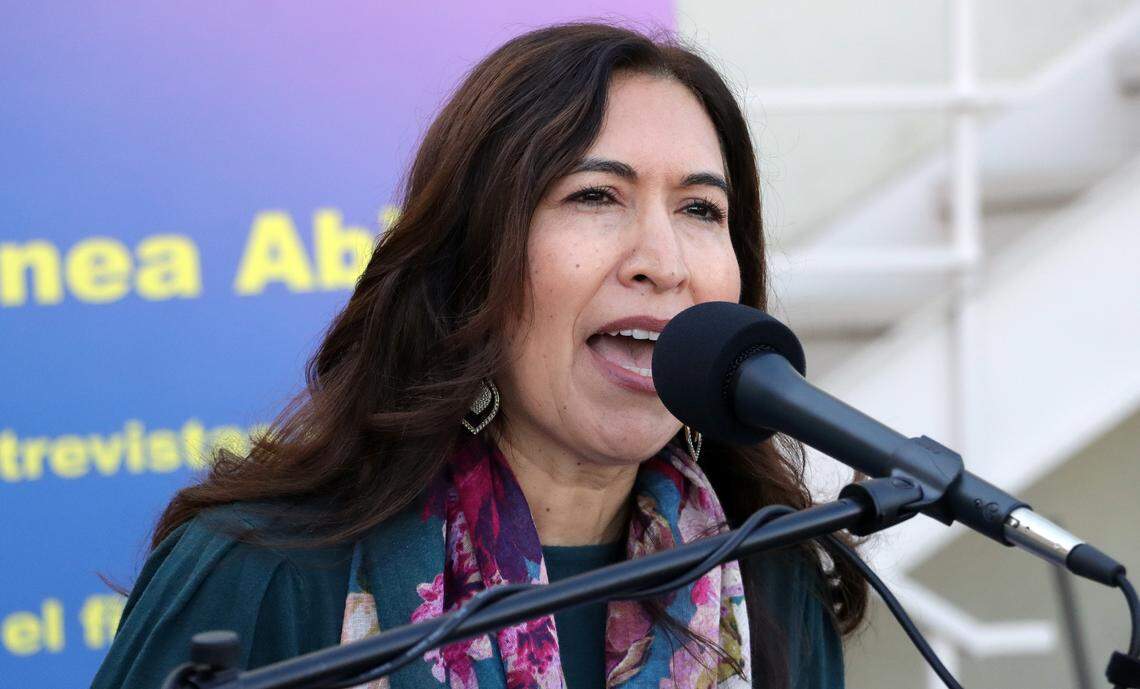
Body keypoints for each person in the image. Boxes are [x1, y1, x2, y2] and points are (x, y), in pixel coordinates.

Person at [92, 22, 867, 689]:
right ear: (471, 263)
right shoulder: (266, 574)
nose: (663, 260)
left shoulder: (772, 581)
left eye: (701, 209)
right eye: (596, 195)